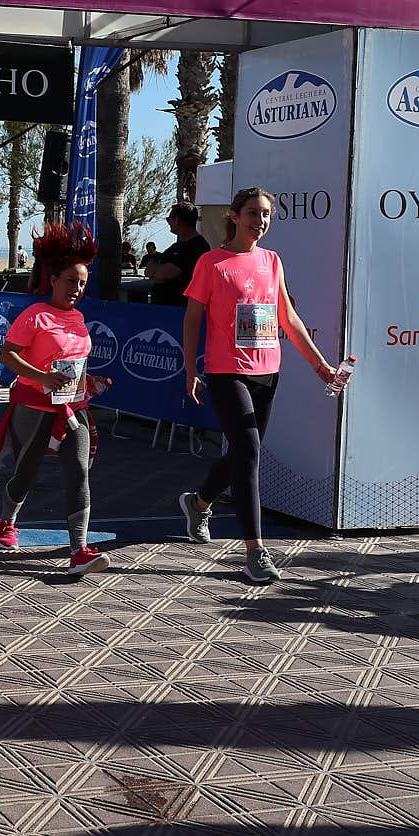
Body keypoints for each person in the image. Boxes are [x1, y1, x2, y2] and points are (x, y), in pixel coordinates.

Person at [178, 187, 341, 585]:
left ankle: (198, 503)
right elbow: (192, 318)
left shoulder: (271, 261)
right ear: (234, 217)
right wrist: (189, 368)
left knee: (243, 455)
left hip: (267, 371)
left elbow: (288, 318)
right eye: (252, 213)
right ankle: (255, 550)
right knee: (248, 452)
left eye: (266, 214)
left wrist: (320, 366)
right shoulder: (212, 263)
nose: (260, 220)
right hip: (225, 371)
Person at [0, 225, 110, 577]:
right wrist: (42, 377)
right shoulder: (35, 316)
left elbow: (74, 362)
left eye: (83, 283)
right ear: (54, 279)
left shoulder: (79, 319)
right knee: (26, 473)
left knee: (78, 471)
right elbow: (7, 356)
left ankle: (79, 550)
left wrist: (89, 381)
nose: (78, 289)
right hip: (34, 405)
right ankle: (5, 521)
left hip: (73, 408)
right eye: (72, 281)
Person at [145, 202, 210, 308]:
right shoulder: (175, 246)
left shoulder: (197, 247)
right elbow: (149, 270)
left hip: (180, 310)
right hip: (163, 309)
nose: (168, 222)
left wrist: (156, 270)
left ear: (177, 220)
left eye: (168, 219)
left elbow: (164, 274)